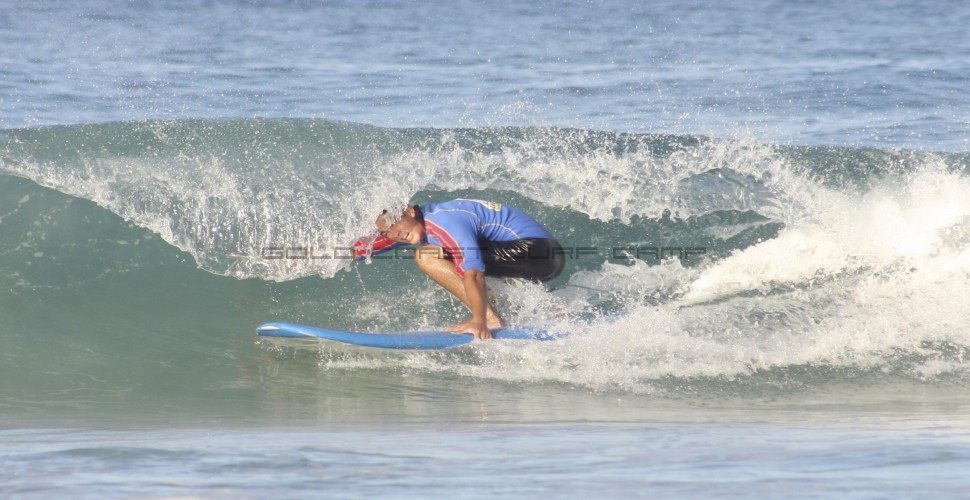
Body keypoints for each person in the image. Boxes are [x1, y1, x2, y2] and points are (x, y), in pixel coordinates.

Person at [360, 199, 565, 340]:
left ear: (409, 211)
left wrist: (479, 321)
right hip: (546, 256)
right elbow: (369, 247)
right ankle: (545, 309)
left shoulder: (443, 222)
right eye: (387, 232)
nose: (395, 234)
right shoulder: (421, 222)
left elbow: (473, 274)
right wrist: (346, 252)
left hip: (534, 251)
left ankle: (489, 318)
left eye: (394, 224)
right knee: (454, 257)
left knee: (427, 256)